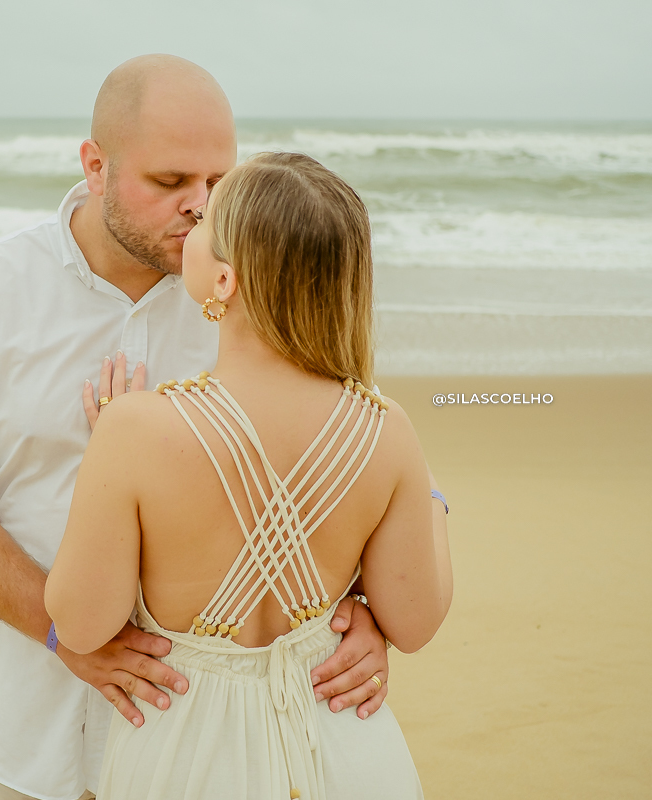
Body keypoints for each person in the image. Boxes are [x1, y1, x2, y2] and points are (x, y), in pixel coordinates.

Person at [0, 55, 401, 800]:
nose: (201, 206)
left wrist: (370, 613)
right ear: (95, 167)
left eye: (221, 182)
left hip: (212, 743)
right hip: (20, 715)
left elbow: (372, 455)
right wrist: (63, 633)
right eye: (170, 182)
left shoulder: (261, 292)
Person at [45, 152, 454, 799]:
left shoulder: (135, 428)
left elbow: (81, 624)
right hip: (345, 744)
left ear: (225, 281)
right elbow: (415, 621)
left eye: (206, 219)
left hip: (185, 758)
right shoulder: (385, 427)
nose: (191, 223)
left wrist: (106, 462)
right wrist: (430, 493)